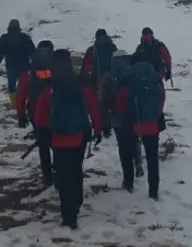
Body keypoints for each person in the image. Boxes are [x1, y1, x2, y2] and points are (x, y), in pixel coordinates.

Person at [38, 49, 102, 229]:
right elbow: (93, 108)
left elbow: (41, 113)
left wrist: (43, 131)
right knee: (76, 170)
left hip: (58, 139)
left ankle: (68, 215)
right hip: (79, 136)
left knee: (64, 176)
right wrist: (97, 129)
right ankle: (77, 202)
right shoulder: (80, 86)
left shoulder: (50, 88)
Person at [114, 57, 166, 200]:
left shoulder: (129, 81)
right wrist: (156, 114)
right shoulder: (155, 79)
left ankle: (129, 182)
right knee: (152, 158)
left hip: (134, 124)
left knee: (128, 151)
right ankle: (153, 192)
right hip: (152, 124)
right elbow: (162, 97)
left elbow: (121, 102)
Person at [15, 40, 56, 188]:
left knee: (43, 146)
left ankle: (48, 176)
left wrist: (21, 115)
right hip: (56, 112)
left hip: (36, 114)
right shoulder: (57, 70)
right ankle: (60, 169)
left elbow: (20, 96)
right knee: (57, 143)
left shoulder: (29, 73)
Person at [0, 19, 36, 111]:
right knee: (25, 87)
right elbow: (33, 53)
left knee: (12, 87)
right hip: (25, 66)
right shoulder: (25, 37)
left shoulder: (4, 38)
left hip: (11, 66)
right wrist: (35, 65)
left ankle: (15, 105)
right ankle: (27, 103)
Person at [80, 29, 118, 100]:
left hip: (97, 84)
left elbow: (85, 69)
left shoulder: (92, 50)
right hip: (113, 83)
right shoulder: (113, 48)